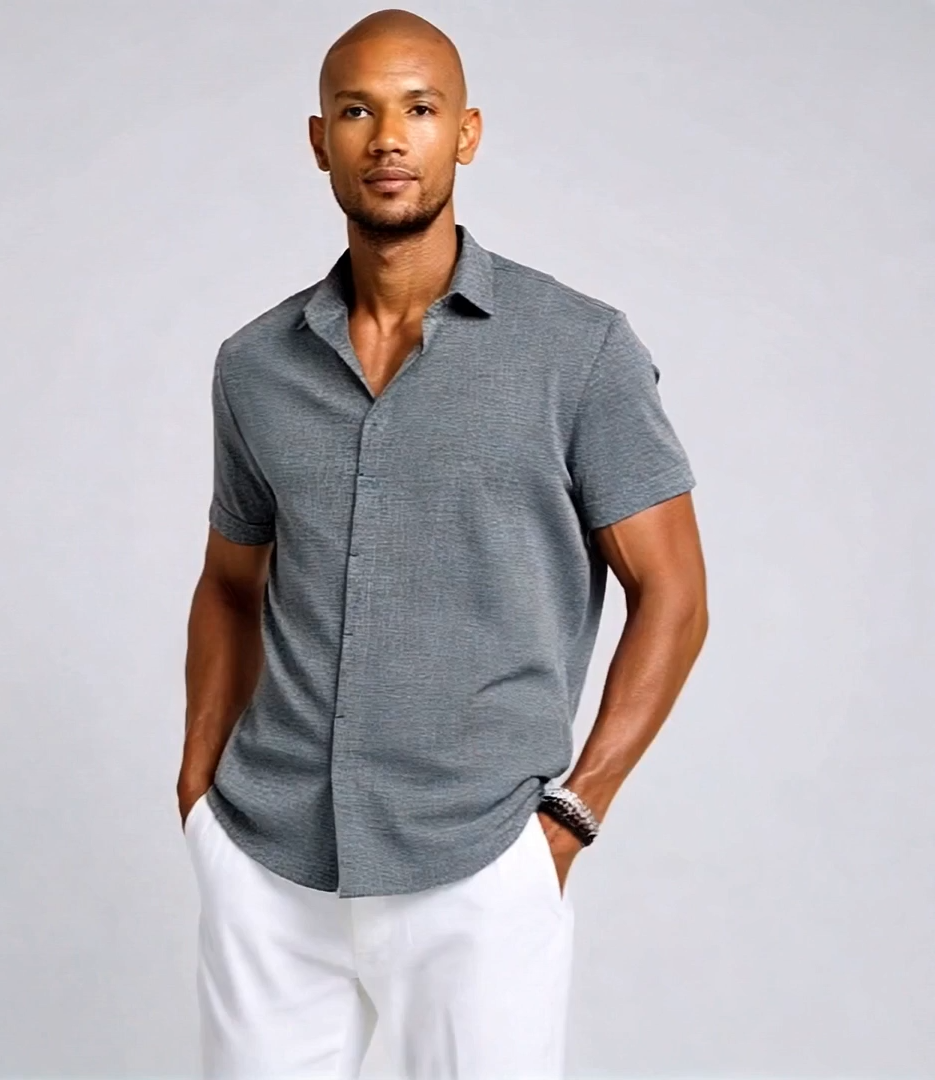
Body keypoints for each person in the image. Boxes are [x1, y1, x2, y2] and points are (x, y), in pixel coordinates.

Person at [176, 8, 708, 1078]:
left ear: (466, 134)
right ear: (319, 140)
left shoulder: (578, 351)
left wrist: (571, 817)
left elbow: (675, 596)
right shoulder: (254, 366)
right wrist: (199, 796)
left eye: (419, 109)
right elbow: (230, 584)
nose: (388, 138)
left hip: (479, 863)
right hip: (271, 862)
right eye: (356, 111)